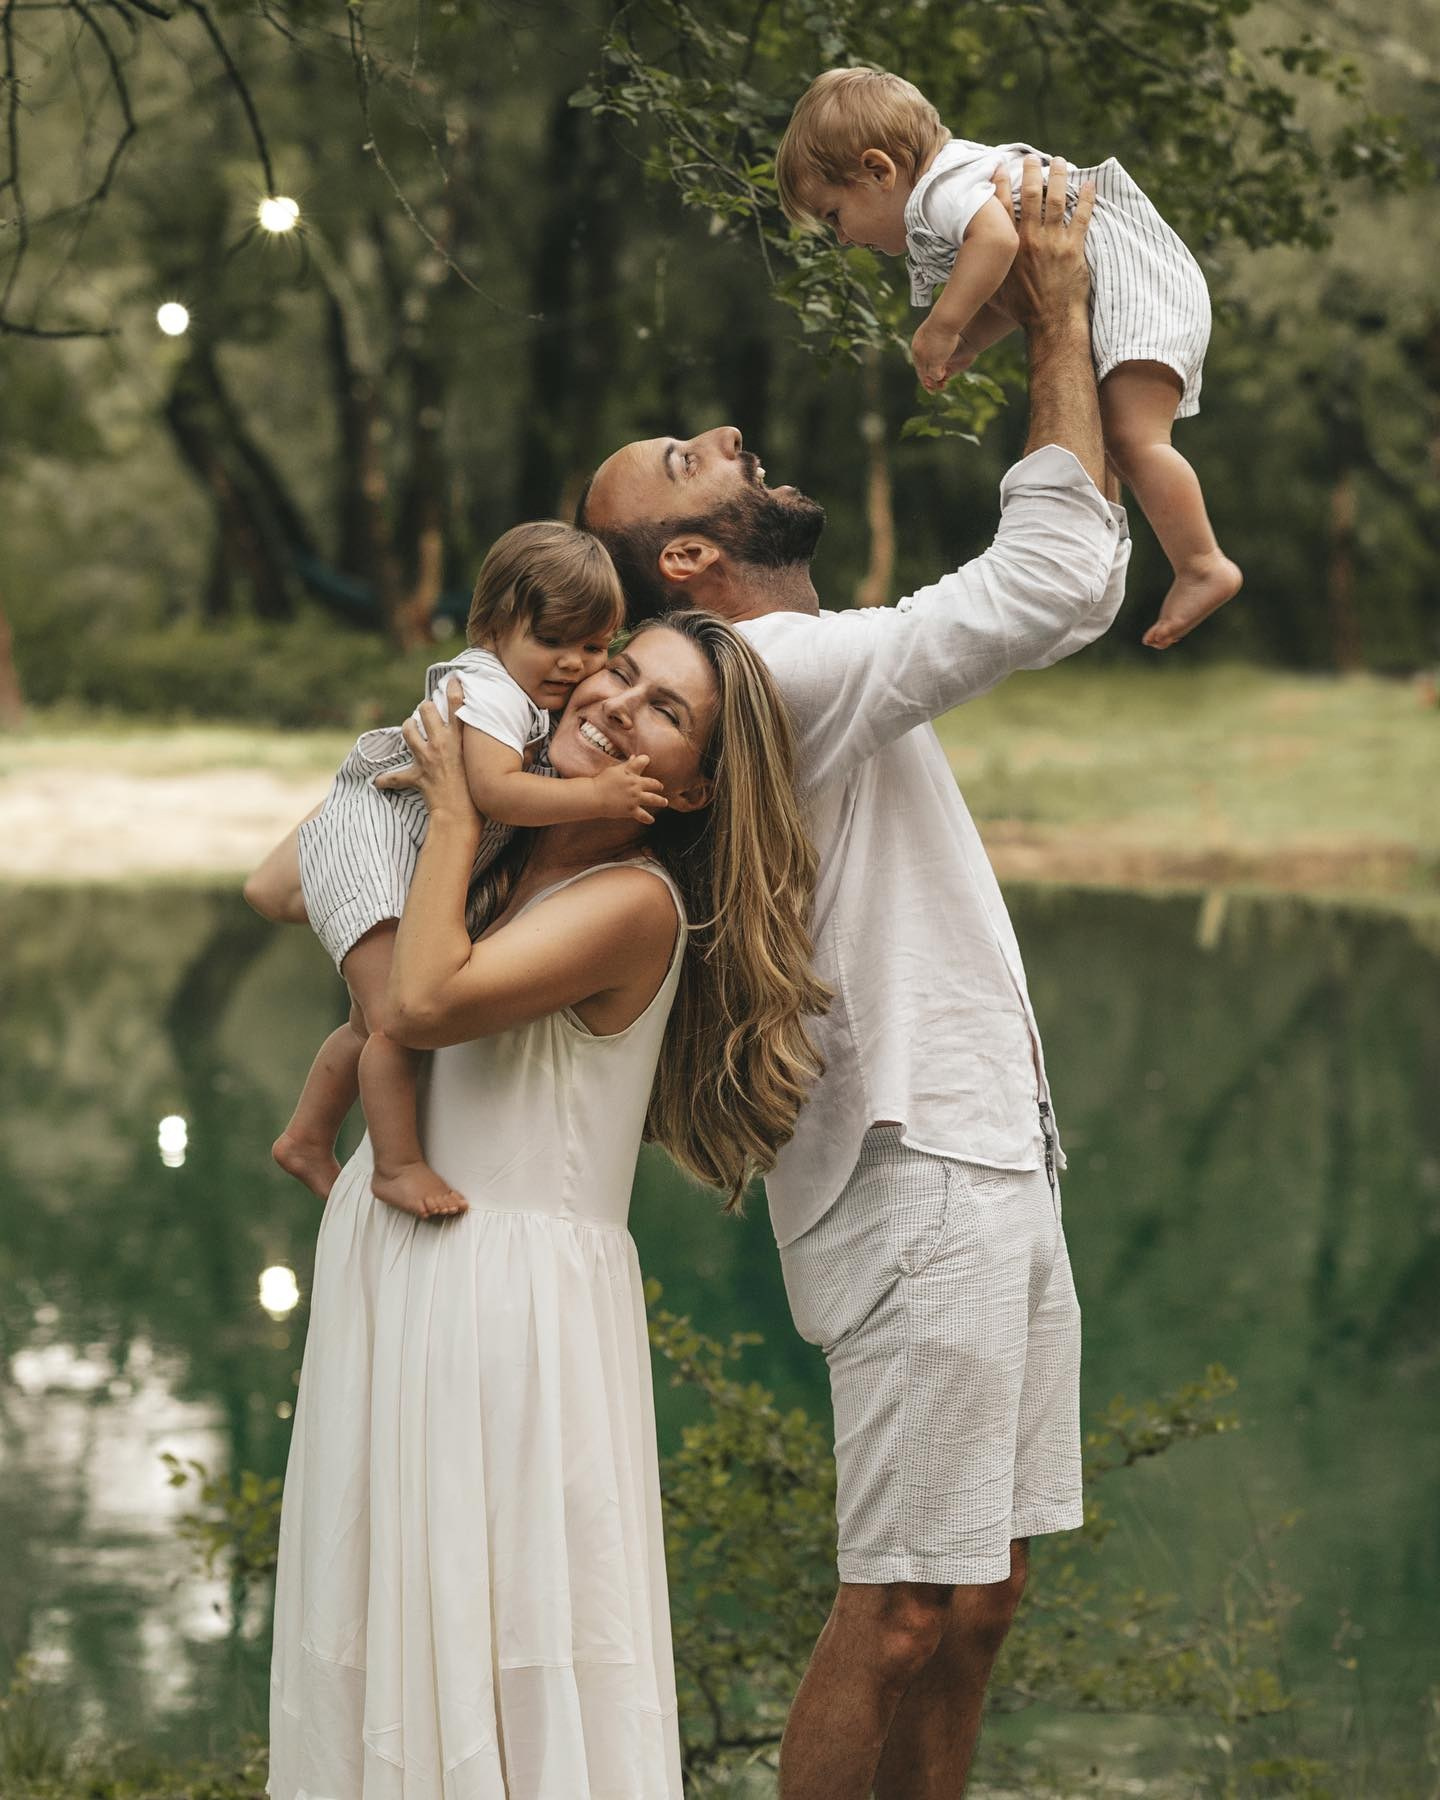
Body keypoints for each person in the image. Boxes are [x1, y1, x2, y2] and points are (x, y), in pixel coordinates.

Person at [576, 156, 1127, 1799]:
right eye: (694, 460)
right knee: (901, 1607)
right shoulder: (772, 670)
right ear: (685, 558)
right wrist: (1061, 318)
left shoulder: (785, 674)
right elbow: (1063, 579)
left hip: (982, 1152)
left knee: (979, 1597)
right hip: (919, 1170)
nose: (734, 444)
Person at [265, 612, 829, 1800]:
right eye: (618, 671)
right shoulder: (493, 868)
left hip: (504, 1306)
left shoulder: (635, 906)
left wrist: (465, 807)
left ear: (692, 789)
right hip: (395, 1263)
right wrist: (436, 763)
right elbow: (277, 883)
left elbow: (418, 1004)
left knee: (508, 1641)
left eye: (664, 711)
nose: (616, 704)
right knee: (381, 1625)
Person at [253, 520, 665, 1221]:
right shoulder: (492, 694)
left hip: (382, 848)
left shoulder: (523, 692)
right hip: (372, 848)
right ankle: (397, 1164)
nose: (573, 664)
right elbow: (496, 792)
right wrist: (596, 795)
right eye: (553, 641)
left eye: (594, 647)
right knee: (394, 1023)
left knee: (363, 1021)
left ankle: (306, 1137)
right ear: (495, 628)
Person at [775, 64, 1241, 650]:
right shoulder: (956, 186)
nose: (841, 239)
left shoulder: (941, 191)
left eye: (834, 215)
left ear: (877, 170)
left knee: (1132, 442)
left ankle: (1202, 562)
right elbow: (1010, 272)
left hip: (1136, 287)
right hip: (1132, 279)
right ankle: (1131, 566)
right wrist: (972, 339)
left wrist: (942, 327)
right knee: (1113, 445)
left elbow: (996, 243)